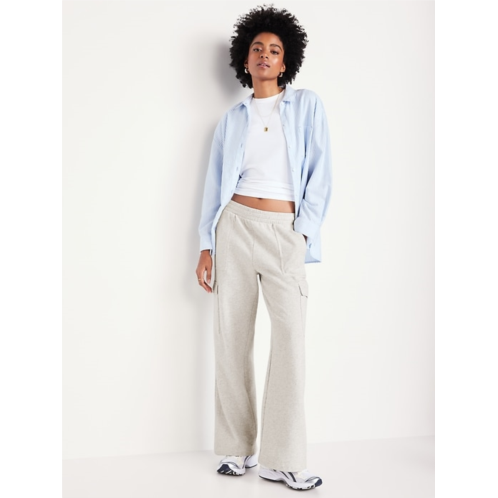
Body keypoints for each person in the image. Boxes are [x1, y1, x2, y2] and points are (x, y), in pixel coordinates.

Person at [195, 5, 332, 491]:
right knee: (232, 339)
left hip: (283, 232)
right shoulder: (232, 119)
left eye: (274, 50)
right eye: (257, 48)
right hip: (233, 227)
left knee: (290, 340)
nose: (265, 55)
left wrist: (302, 233)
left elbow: (321, 174)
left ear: (286, 60)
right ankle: (237, 448)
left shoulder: (307, 106)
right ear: (245, 59)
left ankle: (283, 458)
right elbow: (214, 186)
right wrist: (206, 245)